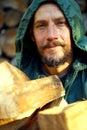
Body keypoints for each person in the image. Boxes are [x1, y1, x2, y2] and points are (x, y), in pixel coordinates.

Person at [15, 0, 87, 104]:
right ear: (32, 35)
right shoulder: (18, 81)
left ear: (74, 29)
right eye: (41, 26)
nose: (51, 35)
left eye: (60, 23)